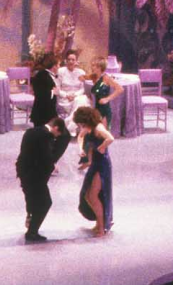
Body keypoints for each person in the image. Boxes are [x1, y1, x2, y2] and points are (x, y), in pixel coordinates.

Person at [15, 115, 71, 243]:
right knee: (45, 203)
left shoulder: (30, 132)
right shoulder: (46, 136)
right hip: (35, 175)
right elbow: (46, 157)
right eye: (57, 134)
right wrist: (52, 165)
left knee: (32, 199)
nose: (56, 137)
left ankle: (30, 220)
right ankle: (32, 232)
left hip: (23, 171)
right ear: (56, 128)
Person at [72, 104, 114, 236]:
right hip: (95, 164)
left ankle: (102, 228)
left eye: (81, 123)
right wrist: (80, 149)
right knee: (87, 195)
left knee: (93, 195)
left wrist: (102, 146)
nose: (80, 127)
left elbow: (110, 138)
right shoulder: (88, 127)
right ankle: (99, 223)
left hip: (102, 165)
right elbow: (80, 137)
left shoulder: (98, 128)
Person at [54, 49, 87, 121]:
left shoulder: (81, 72)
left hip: (77, 97)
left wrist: (75, 95)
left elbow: (83, 89)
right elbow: (57, 88)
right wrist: (66, 95)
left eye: (73, 60)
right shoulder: (60, 71)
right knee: (80, 105)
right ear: (66, 61)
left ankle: (70, 123)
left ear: (76, 61)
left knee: (81, 100)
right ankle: (74, 124)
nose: (71, 62)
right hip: (65, 99)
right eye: (69, 59)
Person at [29, 51, 58, 126]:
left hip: (46, 109)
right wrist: (53, 92)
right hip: (42, 112)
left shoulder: (45, 74)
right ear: (54, 66)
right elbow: (40, 93)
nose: (59, 67)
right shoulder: (42, 75)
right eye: (58, 65)